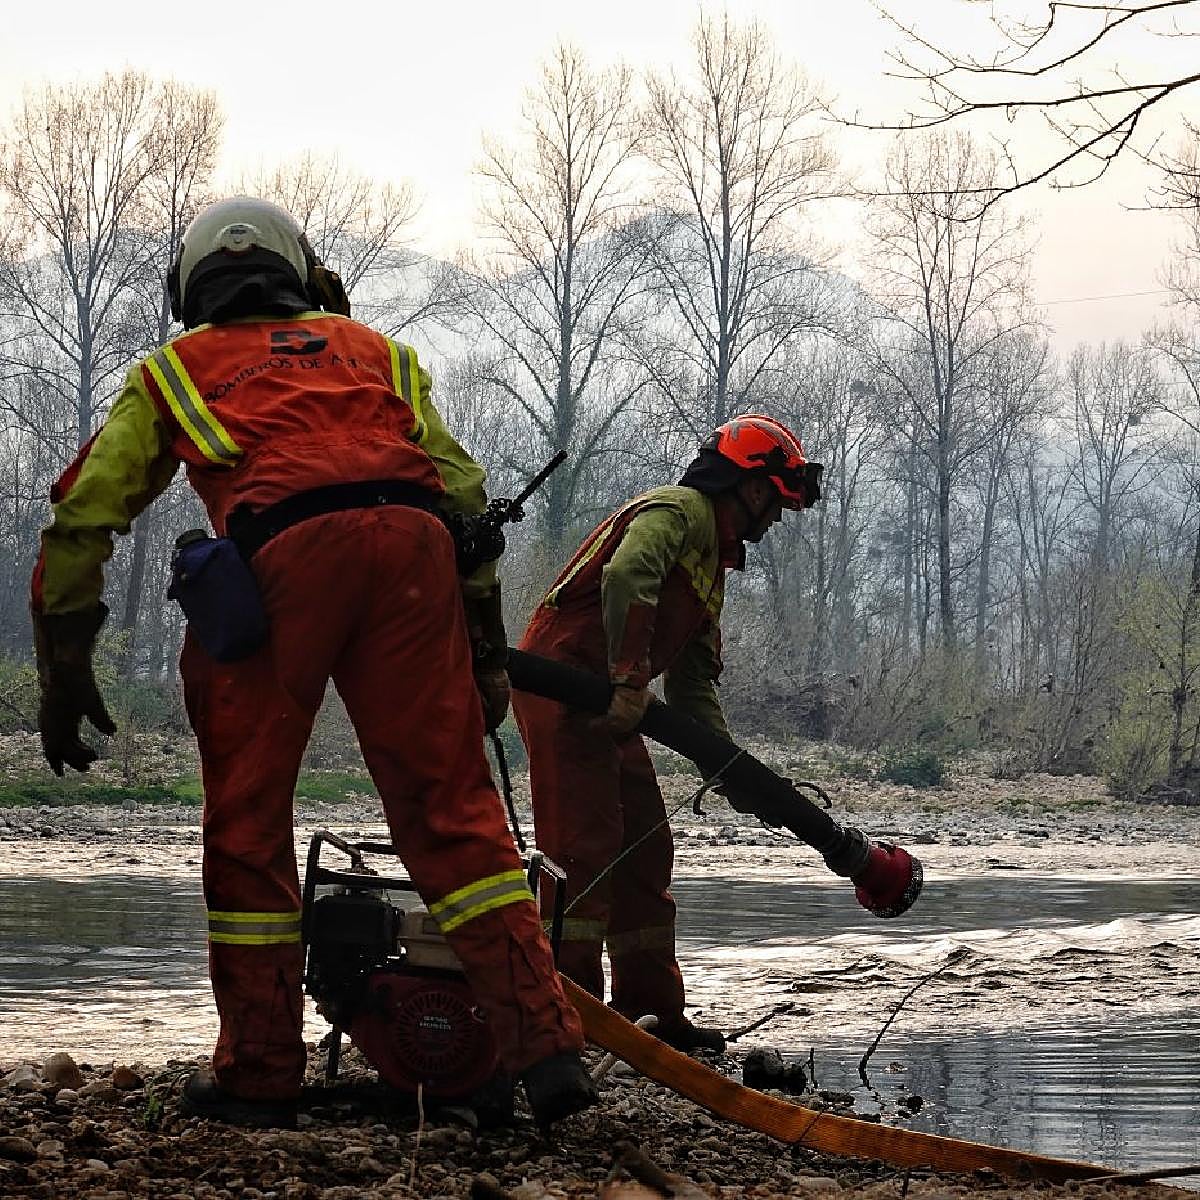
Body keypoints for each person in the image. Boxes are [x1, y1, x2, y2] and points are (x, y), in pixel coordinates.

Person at [31, 197, 596, 1129]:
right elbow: (464, 497)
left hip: (274, 566)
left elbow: (83, 517)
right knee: (453, 816)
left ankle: (260, 1072)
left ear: (190, 288)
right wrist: (485, 653)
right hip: (414, 552)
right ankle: (546, 1050)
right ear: (303, 273)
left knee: (249, 822)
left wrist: (63, 669)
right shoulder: (380, 354)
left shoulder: (175, 369)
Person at [512, 416, 821, 1052]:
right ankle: (571, 1018)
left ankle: (651, 1016)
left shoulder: (711, 564)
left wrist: (730, 773)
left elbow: (691, 689)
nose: (776, 523)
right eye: (779, 506)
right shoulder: (677, 513)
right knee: (583, 852)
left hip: (611, 703)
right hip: (564, 684)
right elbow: (627, 575)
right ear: (755, 489)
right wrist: (628, 678)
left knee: (646, 846)